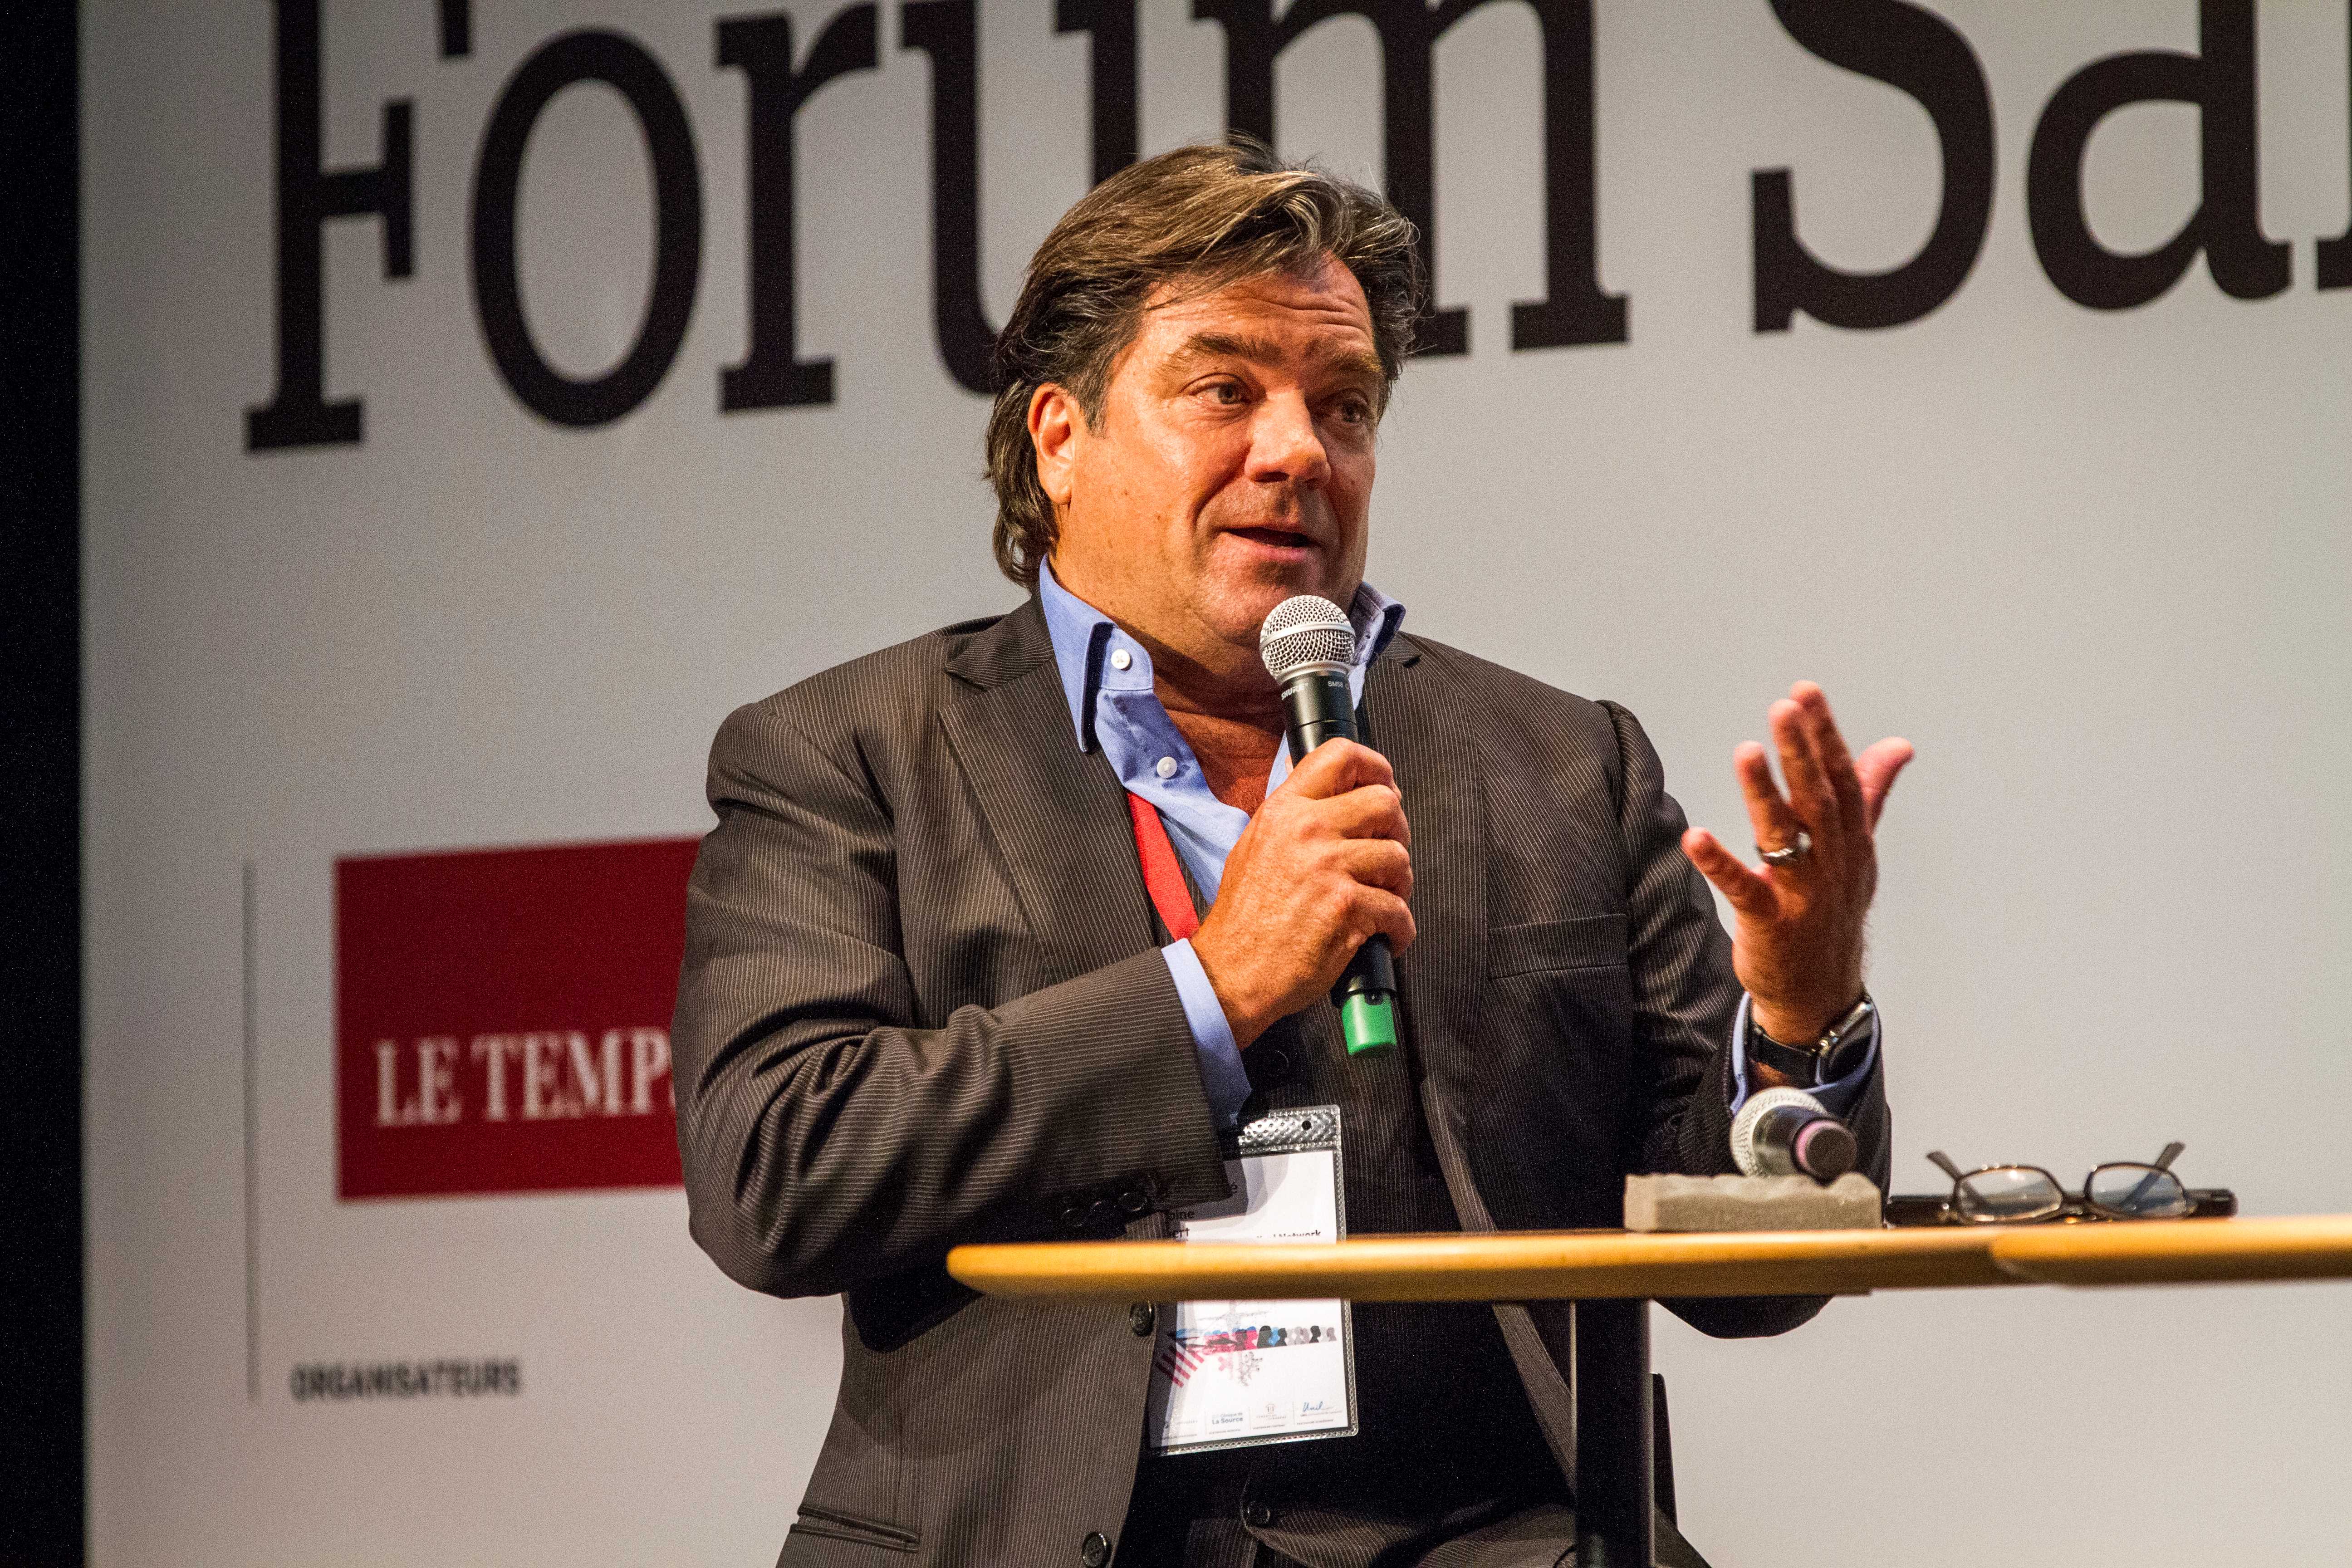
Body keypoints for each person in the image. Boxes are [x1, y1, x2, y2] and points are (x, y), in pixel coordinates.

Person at [671, 140, 1911, 1568]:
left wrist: (1800, 1019)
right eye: (1226, 391)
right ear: (1060, 438)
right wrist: (1211, 991)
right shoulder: (851, 753)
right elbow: (776, 1168)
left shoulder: (1566, 764)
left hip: (1477, 1540)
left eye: (1344, 405)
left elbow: (1754, 1280)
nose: (1300, 451)